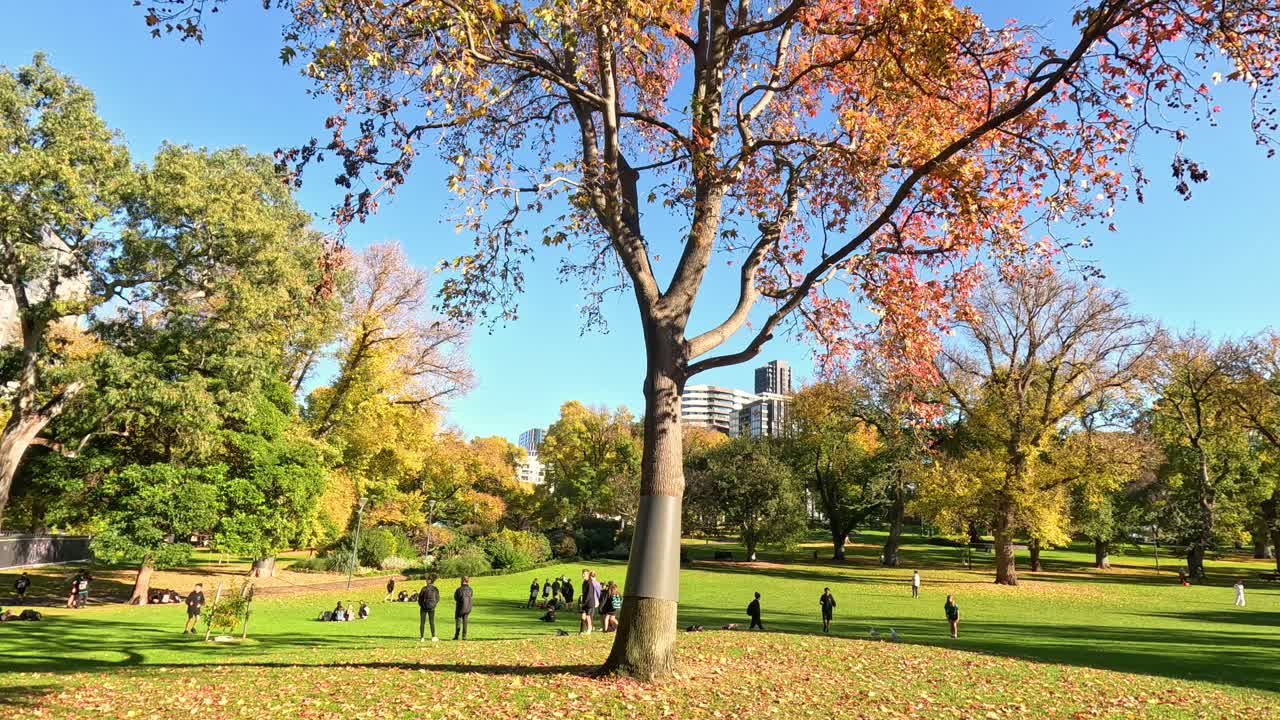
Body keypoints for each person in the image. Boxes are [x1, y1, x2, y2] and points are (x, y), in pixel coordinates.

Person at [419, 575, 440, 641]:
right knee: (432, 622)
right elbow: (437, 598)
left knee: (422, 622)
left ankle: (422, 637)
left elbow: (420, 598)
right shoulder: (435, 589)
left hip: (424, 607)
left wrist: (421, 605)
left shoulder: (424, 588)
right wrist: (434, 604)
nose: (425, 581)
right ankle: (433, 636)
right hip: (432, 607)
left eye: (427, 579)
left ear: (429, 581)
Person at [453, 576, 473, 640]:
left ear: (462, 581)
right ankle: (464, 636)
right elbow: (471, 596)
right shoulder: (470, 589)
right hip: (468, 607)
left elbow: (456, 598)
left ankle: (456, 635)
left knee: (458, 621)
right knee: (465, 621)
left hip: (460, 607)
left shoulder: (459, 589)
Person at [579, 569, 597, 634]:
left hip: (589, 602)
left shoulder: (590, 582)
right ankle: (582, 631)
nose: (583, 575)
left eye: (585, 574)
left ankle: (589, 629)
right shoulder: (584, 583)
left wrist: (584, 602)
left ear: (588, 574)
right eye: (583, 574)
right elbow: (584, 593)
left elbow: (589, 594)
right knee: (583, 616)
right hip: (584, 602)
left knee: (588, 616)